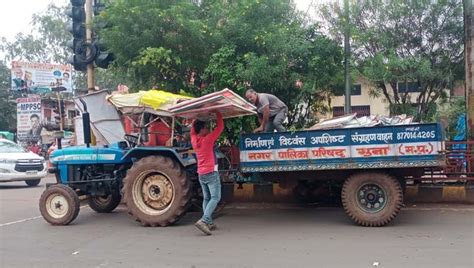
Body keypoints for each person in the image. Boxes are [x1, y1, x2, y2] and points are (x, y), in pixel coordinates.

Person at [190, 111, 224, 235]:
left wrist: (195, 118)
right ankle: (204, 220)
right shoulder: (208, 140)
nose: (208, 129)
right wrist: (218, 114)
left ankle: (208, 222)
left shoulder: (194, 140)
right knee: (215, 197)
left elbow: (192, 131)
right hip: (211, 172)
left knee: (207, 197)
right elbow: (220, 128)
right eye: (206, 127)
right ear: (202, 129)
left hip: (201, 173)